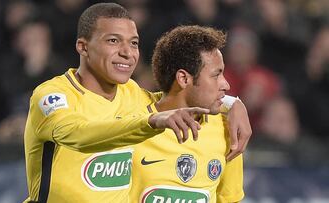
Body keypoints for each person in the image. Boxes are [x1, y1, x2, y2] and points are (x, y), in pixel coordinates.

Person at [23, 3, 251, 202]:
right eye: (113, 41)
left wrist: (233, 104)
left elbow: (175, 99)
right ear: (83, 47)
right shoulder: (52, 95)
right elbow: (77, 133)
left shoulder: (132, 95)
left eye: (133, 43)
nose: (127, 53)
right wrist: (149, 122)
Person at [130, 25, 244, 203]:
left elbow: (230, 199)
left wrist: (235, 102)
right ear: (184, 79)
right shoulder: (131, 118)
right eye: (216, 75)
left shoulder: (227, 130)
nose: (226, 85)